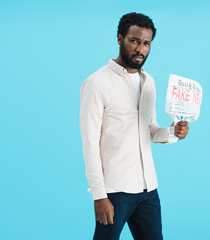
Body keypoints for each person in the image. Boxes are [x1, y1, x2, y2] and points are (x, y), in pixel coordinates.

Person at [80, 12, 189, 240]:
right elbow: (90, 145)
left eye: (146, 43)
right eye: (135, 41)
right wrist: (99, 196)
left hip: (148, 189)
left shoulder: (148, 82)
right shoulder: (96, 84)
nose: (141, 49)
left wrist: (172, 132)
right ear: (120, 39)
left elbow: (149, 129)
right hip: (114, 191)